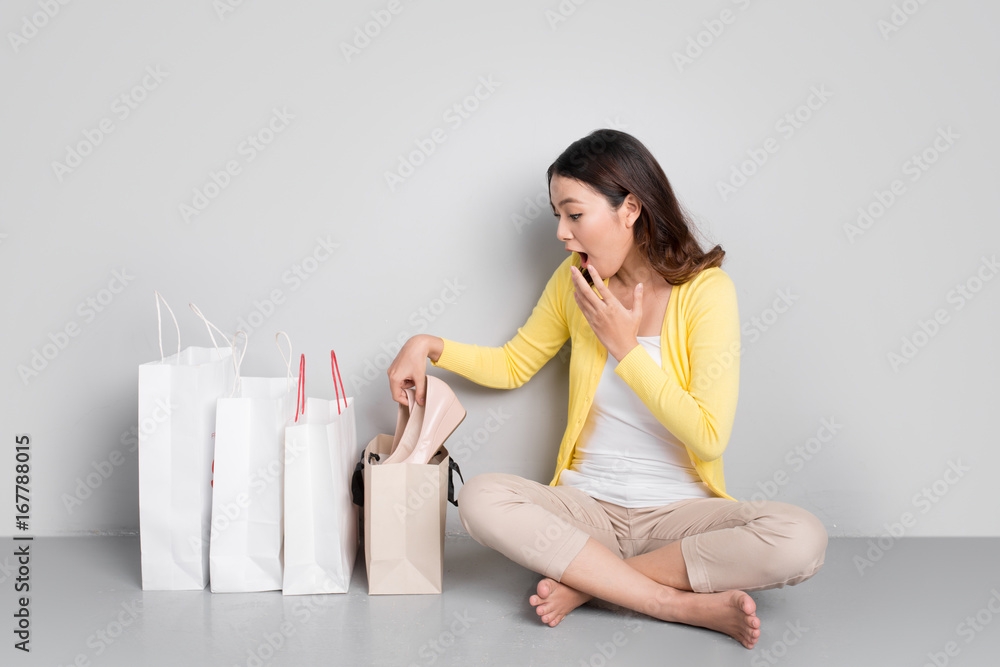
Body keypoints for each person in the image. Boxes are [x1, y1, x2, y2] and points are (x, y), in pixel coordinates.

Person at [386, 129, 827, 649]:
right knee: (481, 498)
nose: (561, 233)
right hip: (586, 510)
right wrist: (429, 344)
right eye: (557, 215)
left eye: (574, 214)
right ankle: (669, 601)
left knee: (802, 538)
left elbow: (709, 438)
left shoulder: (708, 293)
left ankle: (590, 584)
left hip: (680, 519)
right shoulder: (574, 283)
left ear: (630, 209)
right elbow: (513, 365)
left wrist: (627, 349)